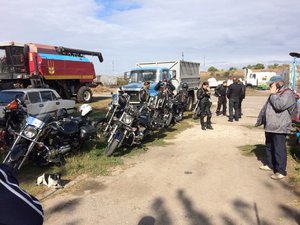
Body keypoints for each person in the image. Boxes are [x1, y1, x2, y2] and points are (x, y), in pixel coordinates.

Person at [256, 75, 297, 180]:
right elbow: (267, 108)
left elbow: (279, 106)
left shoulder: (287, 94)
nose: (270, 86)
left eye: (271, 84)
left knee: (279, 149)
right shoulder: (275, 94)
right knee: (269, 146)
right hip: (271, 125)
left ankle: (280, 171)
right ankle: (270, 164)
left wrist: (273, 94)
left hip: (280, 126)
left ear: (279, 83)